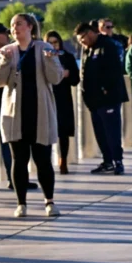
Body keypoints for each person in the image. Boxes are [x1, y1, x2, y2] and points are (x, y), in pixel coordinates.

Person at [0, 13, 64, 217]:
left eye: (19, 24)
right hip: (16, 114)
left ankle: (49, 201)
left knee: (42, 159)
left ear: (30, 27)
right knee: (19, 159)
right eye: (13, 25)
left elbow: (56, 78)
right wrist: (3, 62)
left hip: (40, 112)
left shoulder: (44, 48)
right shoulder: (6, 51)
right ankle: (21, 203)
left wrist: (50, 61)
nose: (15, 28)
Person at [0, 23, 38, 191]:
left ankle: (18, 179)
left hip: (4, 105)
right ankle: (14, 179)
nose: (9, 37)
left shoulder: (7, 52)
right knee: (5, 146)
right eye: (5, 34)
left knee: (13, 145)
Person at [76, 21, 128, 174]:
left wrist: (105, 89)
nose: (82, 42)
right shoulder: (87, 50)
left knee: (112, 131)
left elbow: (114, 70)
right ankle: (107, 161)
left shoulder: (107, 45)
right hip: (94, 100)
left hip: (108, 98)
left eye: (82, 38)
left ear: (90, 33)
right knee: (100, 132)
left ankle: (118, 161)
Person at [44, 30, 80, 174]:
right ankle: (46, 163)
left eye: (55, 42)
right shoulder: (42, 57)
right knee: (45, 131)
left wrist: (68, 74)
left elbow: (76, 80)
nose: (53, 46)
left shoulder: (68, 57)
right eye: (50, 43)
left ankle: (63, 161)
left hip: (63, 98)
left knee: (63, 131)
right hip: (47, 97)